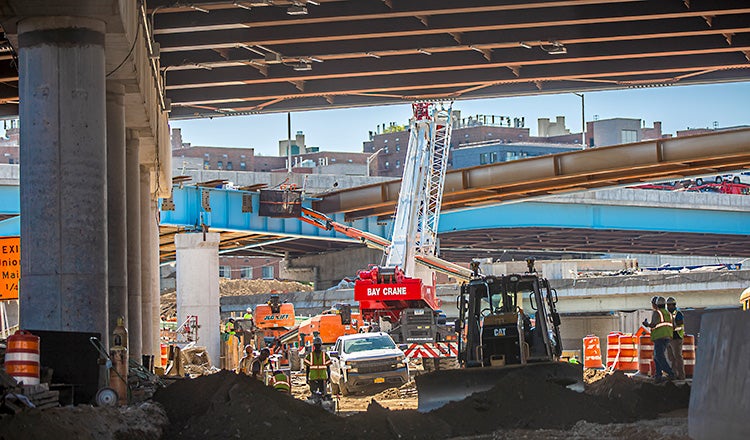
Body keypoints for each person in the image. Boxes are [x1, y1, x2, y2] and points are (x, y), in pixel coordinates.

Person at [643, 296, 675, 383]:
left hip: (659, 337)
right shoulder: (669, 313)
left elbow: (653, 324)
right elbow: (673, 325)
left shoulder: (657, 313)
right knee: (657, 357)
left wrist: (646, 324)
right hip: (667, 337)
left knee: (659, 356)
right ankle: (658, 375)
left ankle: (670, 373)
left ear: (656, 304)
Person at [665, 297, 686, 380]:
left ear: (673, 305)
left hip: (677, 338)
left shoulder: (678, 313)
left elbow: (680, 324)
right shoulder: (667, 313)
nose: (668, 307)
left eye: (669, 305)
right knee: (671, 358)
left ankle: (681, 375)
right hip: (669, 337)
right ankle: (673, 374)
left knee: (677, 357)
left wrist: (672, 327)